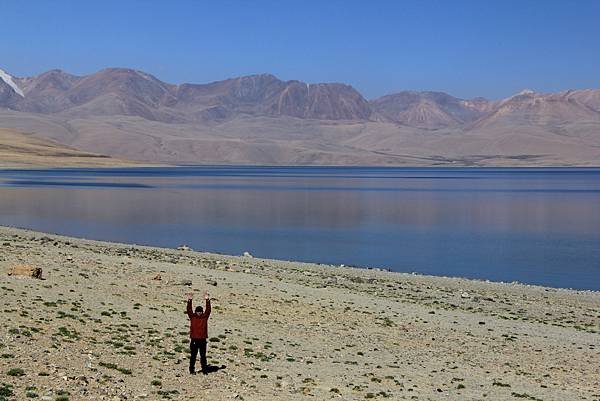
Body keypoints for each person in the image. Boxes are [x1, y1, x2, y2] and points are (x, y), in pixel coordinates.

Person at [186, 291, 211, 375]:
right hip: (194, 340)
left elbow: (208, 310)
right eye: (198, 311)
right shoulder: (192, 316)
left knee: (203, 356)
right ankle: (191, 370)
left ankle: (204, 370)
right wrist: (189, 300)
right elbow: (189, 310)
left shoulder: (205, 317)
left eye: (200, 311)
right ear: (196, 312)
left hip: (203, 340)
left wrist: (207, 300)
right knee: (193, 356)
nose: (199, 313)